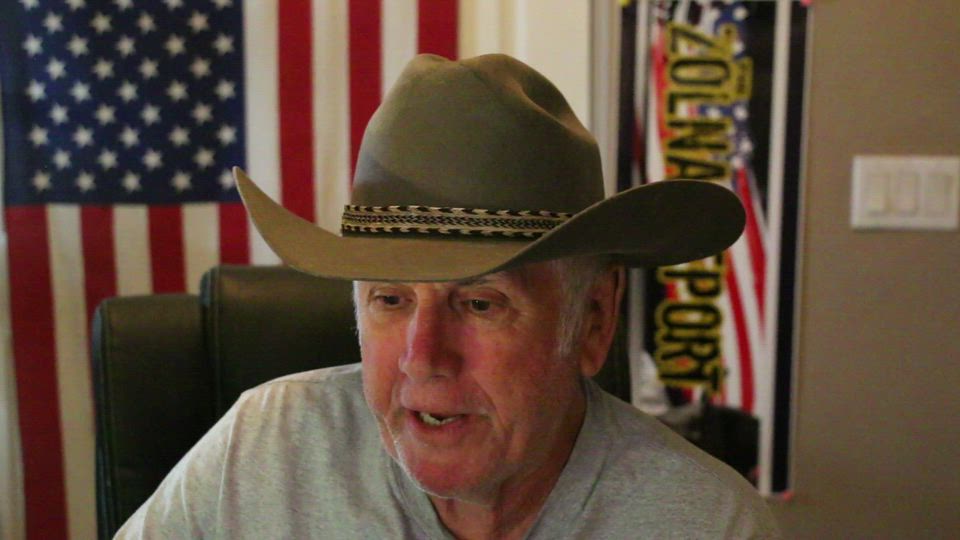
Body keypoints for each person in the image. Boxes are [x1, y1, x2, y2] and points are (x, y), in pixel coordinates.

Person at [116, 53, 779, 539]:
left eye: (480, 303)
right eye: (390, 300)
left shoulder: (710, 525)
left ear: (594, 320)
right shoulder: (260, 452)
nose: (422, 357)